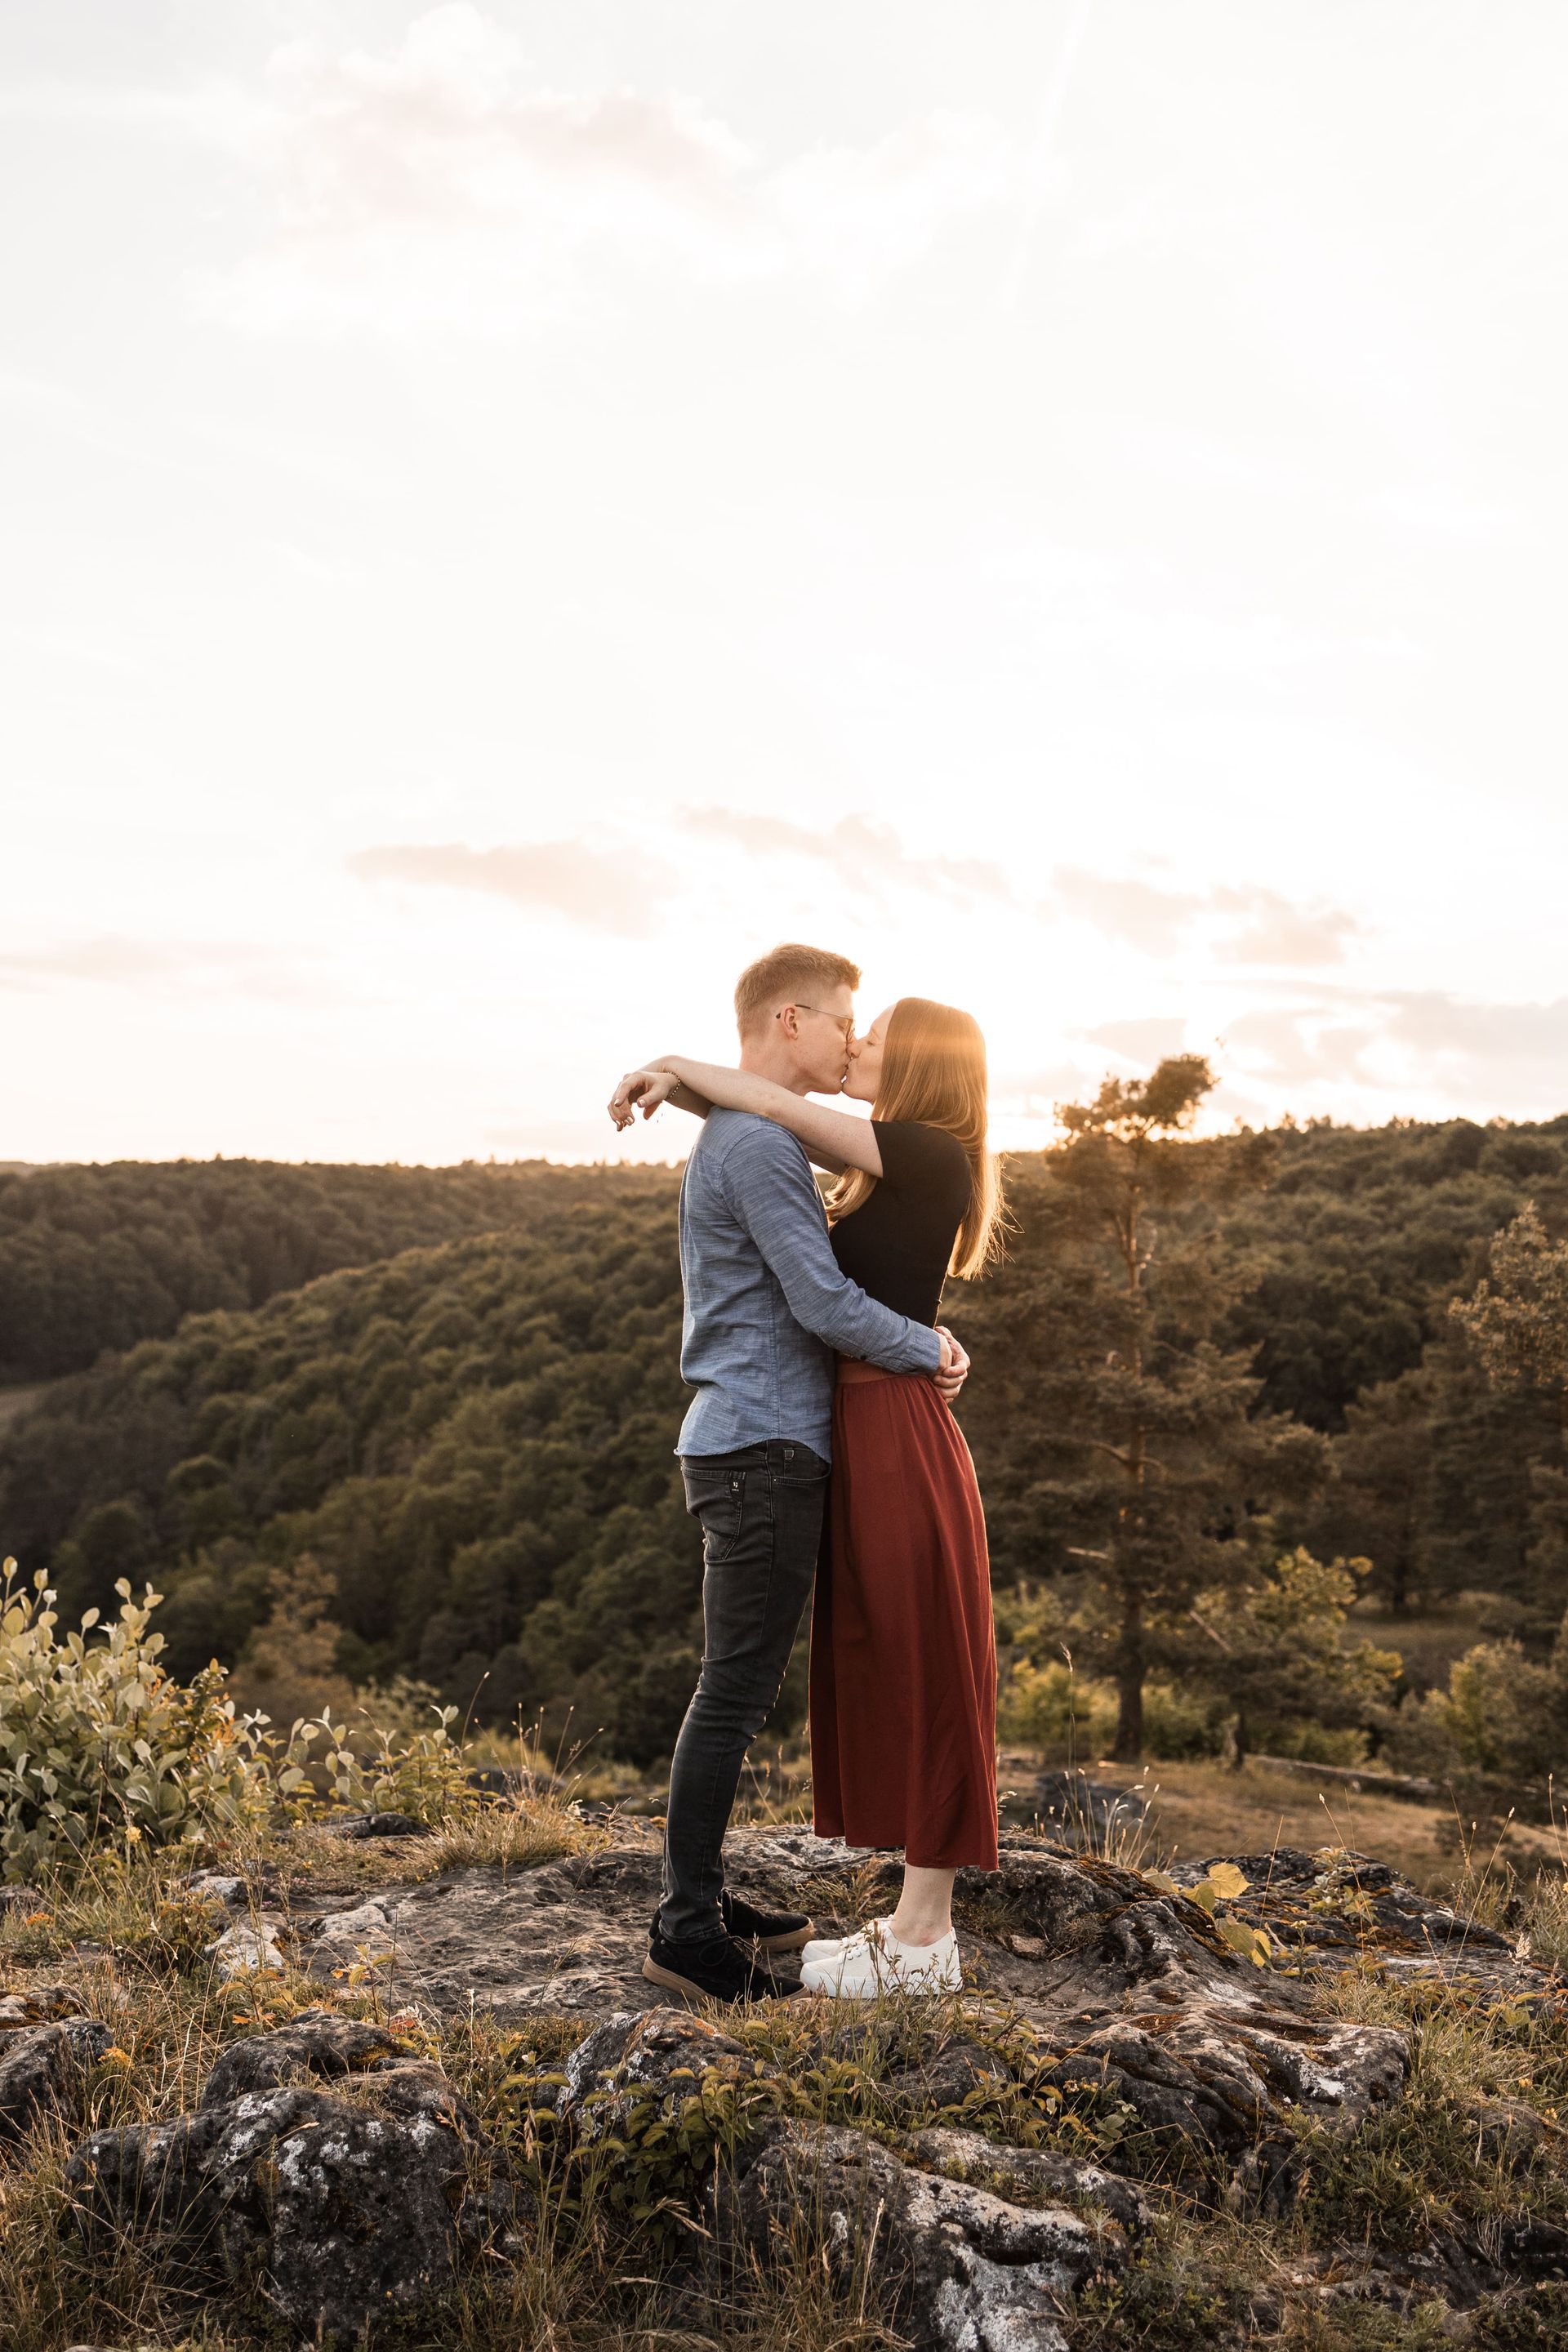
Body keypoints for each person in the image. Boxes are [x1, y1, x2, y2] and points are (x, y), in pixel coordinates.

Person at [611, 982, 1003, 1999]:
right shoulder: (872, 1155)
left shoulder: (926, 1150)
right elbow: (775, 1118)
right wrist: (687, 1079)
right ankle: (888, 1927)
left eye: (877, 1037)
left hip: (890, 1427)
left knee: (924, 1660)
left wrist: (676, 1066)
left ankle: (923, 1940)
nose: (858, 1042)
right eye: (849, 1024)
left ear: (916, 1066)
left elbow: (782, 1115)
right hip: (850, 1428)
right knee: (875, 1662)